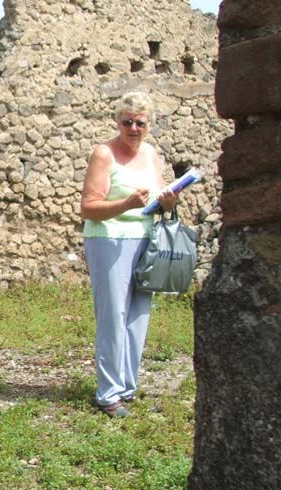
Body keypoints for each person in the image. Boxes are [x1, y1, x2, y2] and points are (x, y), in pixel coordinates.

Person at [80, 91, 178, 418]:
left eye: (140, 123)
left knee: (138, 317)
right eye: (127, 122)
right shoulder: (104, 154)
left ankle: (127, 388)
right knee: (113, 318)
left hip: (144, 239)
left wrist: (168, 201)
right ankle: (108, 394)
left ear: (149, 125)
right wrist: (125, 204)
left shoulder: (150, 154)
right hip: (109, 240)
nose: (133, 129)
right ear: (117, 123)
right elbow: (88, 208)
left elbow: (161, 190)